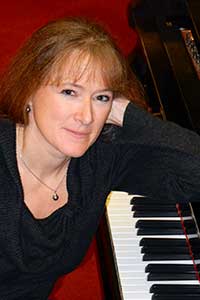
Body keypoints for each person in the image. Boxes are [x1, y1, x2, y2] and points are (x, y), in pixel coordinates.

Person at [0, 16, 200, 300]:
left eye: (101, 98)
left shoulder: (99, 158)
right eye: (69, 92)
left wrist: (128, 115)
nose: (86, 116)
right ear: (29, 89)